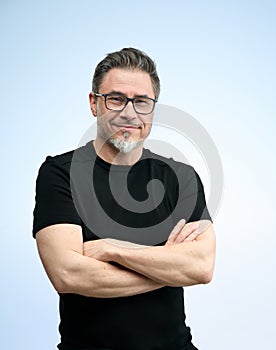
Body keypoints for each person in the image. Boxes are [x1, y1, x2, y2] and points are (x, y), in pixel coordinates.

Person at [33, 47, 216, 350]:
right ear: (94, 104)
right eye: (116, 99)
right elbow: (68, 274)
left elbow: (201, 267)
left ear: (153, 108)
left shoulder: (181, 177)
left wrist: (111, 249)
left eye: (142, 101)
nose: (129, 112)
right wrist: (168, 269)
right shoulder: (59, 174)